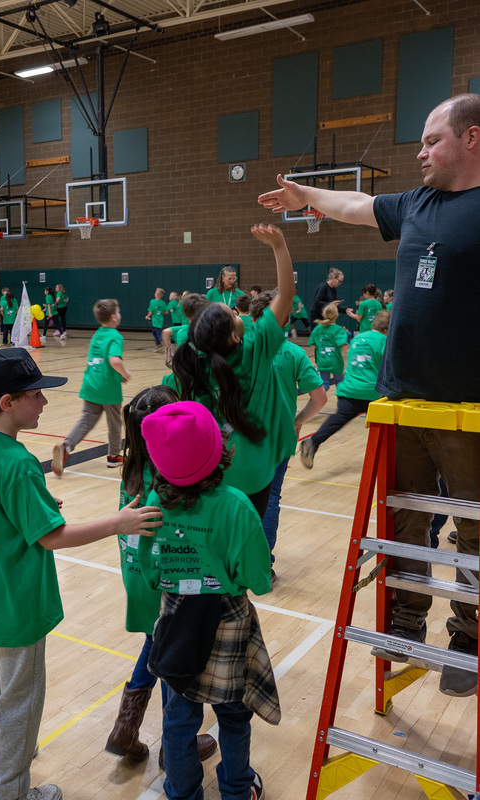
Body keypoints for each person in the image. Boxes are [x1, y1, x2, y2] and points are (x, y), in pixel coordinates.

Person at [258, 92, 480, 697]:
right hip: (400, 402)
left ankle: (469, 638)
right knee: (403, 524)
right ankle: (407, 626)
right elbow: (357, 203)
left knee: (474, 535)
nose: (421, 151)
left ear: (471, 139)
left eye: (433, 140)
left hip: (471, 412)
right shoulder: (416, 203)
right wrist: (308, 198)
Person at [0, 348, 161, 800]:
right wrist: (119, 523)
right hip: (16, 607)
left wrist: (40, 509)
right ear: (8, 402)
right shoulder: (17, 463)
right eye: (36, 396)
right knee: (21, 704)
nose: (45, 403)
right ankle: (10, 791)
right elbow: (53, 538)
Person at [138, 401, 280, 800]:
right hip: (227, 619)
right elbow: (258, 578)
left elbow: (148, 570)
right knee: (234, 716)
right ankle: (237, 790)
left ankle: (182, 794)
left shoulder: (154, 499)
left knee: (178, 720)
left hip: (174, 617)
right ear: (218, 450)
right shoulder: (236, 504)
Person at [105, 386, 217, 767]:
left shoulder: (132, 466)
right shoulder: (173, 473)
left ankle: (126, 728)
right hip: (167, 583)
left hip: (138, 577)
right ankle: (177, 747)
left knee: (155, 644)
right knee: (177, 659)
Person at [171, 224, 295, 518]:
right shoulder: (256, 348)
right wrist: (278, 245)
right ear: (234, 335)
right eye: (232, 314)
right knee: (248, 545)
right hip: (254, 474)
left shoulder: (196, 366)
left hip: (212, 471)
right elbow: (286, 293)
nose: (236, 312)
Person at [250, 290, 327, 578]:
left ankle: (238, 561)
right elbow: (319, 398)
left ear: (256, 317)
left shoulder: (244, 347)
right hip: (281, 436)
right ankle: (263, 566)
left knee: (240, 495)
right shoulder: (294, 353)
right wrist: (298, 420)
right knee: (271, 498)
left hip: (246, 437)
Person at [300, 311, 390, 468]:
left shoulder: (357, 339)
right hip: (372, 392)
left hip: (349, 389)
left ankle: (313, 441)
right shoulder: (384, 340)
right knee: (388, 428)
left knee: (338, 419)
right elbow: (388, 366)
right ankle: (387, 461)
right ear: (388, 328)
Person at [52, 298, 129, 476]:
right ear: (113, 317)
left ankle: (66, 446)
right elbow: (114, 360)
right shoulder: (115, 337)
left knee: (86, 420)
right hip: (108, 388)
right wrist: (125, 374)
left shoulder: (97, 334)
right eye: (118, 312)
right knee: (114, 423)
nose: (119, 314)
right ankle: (113, 456)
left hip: (90, 385)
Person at [308, 303, 348, 391]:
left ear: (323, 315)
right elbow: (344, 346)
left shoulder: (317, 329)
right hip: (336, 362)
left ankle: (317, 400)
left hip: (322, 361)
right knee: (339, 382)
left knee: (325, 383)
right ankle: (342, 402)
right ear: (337, 315)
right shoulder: (338, 329)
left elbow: (312, 343)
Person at [145, 287, 168, 352]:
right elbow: (166, 312)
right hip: (160, 320)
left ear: (156, 294)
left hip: (155, 320)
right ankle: (159, 345)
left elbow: (151, 310)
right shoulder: (163, 303)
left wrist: (147, 316)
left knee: (158, 333)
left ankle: (166, 345)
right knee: (154, 332)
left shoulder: (152, 301)